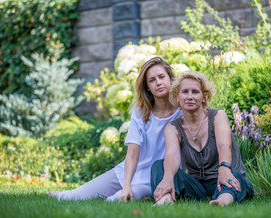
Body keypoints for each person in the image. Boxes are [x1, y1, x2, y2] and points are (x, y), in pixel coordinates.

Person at [47, 57, 182, 202]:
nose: (158, 82)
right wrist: (126, 185)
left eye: (162, 77)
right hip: (126, 173)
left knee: (113, 200)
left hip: (153, 180)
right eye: (152, 80)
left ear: (170, 79)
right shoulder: (140, 114)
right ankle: (65, 195)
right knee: (73, 197)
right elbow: (132, 154)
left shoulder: (183, 112)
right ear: (147, 87)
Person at [151, 71, 254, 207]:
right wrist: (168, 179)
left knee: (234, 174)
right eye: (185, 92)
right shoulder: (172, 128)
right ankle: (164, 200)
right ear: (177, 97)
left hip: (228, 177)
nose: (190, 97)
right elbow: (172, 155)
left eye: (195, 92)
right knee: (159, 165)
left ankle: (222, 201)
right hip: (198, 186)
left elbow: (224, 145)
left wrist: (224, 168)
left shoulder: (218, 116)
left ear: (204, 97)